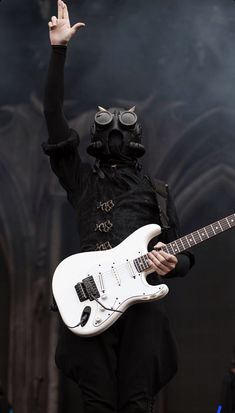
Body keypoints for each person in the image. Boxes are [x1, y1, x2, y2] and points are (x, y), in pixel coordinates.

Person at [43, 1, 195, 412]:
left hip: (140, 306)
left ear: (138, 137)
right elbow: (54, 119)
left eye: (124, 126)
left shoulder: (157, 191)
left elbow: (182, 254)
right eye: (107, 127)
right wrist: (59, 51)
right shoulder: (83, 181)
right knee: (98, 401)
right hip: (90, 298)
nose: (115, 132)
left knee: (137, 401)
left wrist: (169, 263)